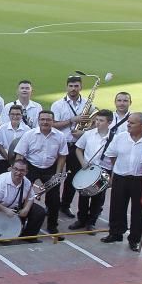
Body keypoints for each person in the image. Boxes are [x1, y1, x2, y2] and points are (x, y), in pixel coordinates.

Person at [102, 112, 142, 251]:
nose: (128, 124)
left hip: (141, 180)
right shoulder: (120, 137)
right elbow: (112, 155)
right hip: (121, 177)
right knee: (117, 207)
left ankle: (135, 239)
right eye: (128, 121)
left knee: (139, 210)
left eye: (132, 122)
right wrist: (116, 170)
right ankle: (115, 233)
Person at [14, 110, 68, 235]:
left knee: (54, 200)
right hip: (31, 166)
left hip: (50, 168)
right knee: (22, 195)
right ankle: (20, 223)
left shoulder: (60, 136)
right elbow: (20, 154)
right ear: (38, 121)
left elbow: (62, 156)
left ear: (53, 121)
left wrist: (58, 174)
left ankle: (52, 226)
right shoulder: (29, 135)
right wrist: (19, 171)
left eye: (48, 120)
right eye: (42, 119)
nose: (45, 122)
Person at [0, 159, 48, 240]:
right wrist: (5, 210)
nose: (18, 173)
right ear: (11, 168)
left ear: (26, 172)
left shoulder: (26, 182)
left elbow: (30, 197)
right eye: (16, 169)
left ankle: (28, 236)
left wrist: (26, 209)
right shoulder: (0, 182)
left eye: (22, 170)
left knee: (39, 211)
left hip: (16, 208)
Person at [70, 109, 114, 232]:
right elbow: (78, 149)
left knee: (98, 197)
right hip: (88, 168)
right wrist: (82, 162)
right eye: (97, 120)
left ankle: (91, 222)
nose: (97, 123)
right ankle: (81, 220)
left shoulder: (114, 137)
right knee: (83, 195)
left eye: (101, 120)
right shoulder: (88, 134)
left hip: (104, 170)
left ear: (109, 122)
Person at [52, 75, 88, 219]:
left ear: (80, 87)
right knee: (55, 175)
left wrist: (84, 130)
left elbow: (92, 124)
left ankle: (65, 205)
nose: (73, 89)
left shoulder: (87, 104)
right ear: (67, 87)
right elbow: (53, 124)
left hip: (77, 146)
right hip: (60, 145)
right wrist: (72, 120)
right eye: (71, 86)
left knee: (72, 178)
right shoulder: (57, 105)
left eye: (76, 86)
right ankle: (52, 204)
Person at [0, 105, 30, 176]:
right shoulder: (1, 129)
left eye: (18, 114)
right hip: (4, 160)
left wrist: (17, 162)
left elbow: (27, 147)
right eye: (12, 114)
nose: (15, 116)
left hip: (21, 162)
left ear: (21, 115)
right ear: (9, 115)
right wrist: (10, 161)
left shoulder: (27, 130)